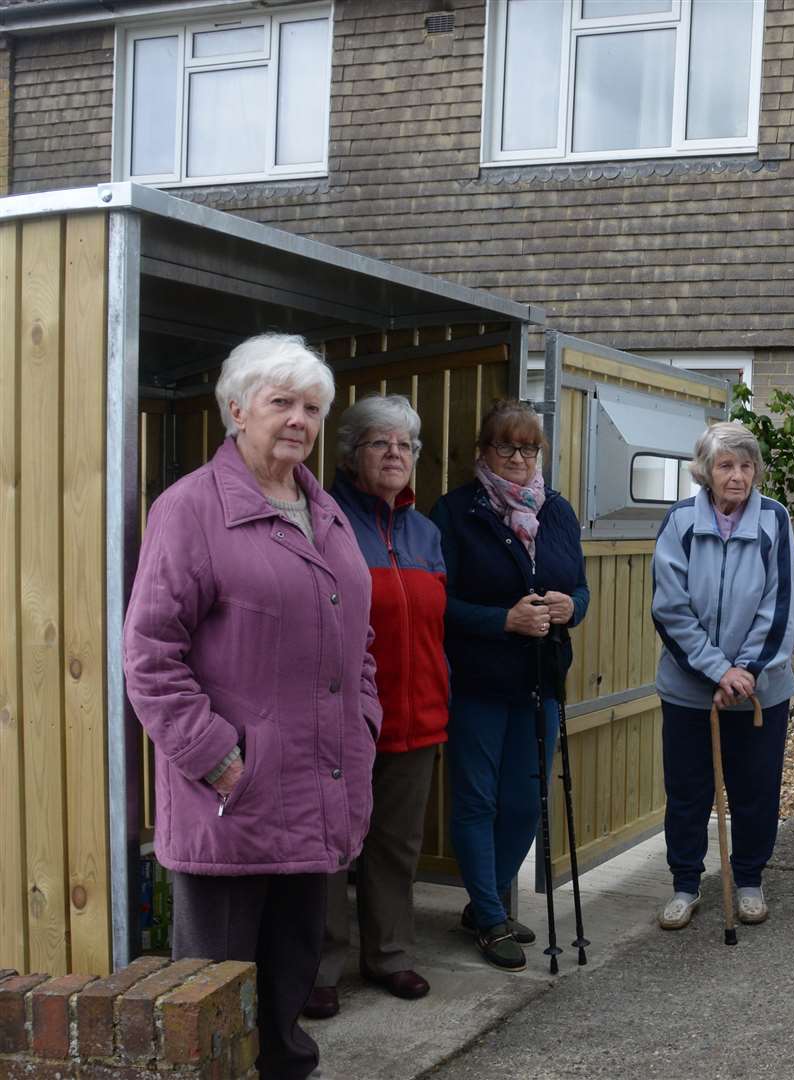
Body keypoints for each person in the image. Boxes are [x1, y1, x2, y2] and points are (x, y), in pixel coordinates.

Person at [124, 333, 380, 1080]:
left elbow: (357, 643)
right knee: (212, 987)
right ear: (237, 410)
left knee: (291, 975)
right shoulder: (192, 511)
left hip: (318, 786)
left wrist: (363, 725)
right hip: (233, 797)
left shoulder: (325, 513)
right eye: (281, 403)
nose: (299, 419)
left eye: (312, 406)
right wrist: (218, 758)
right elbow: (148, 654)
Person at [430, 400, 588, 971]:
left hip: (541, 681)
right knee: (478, 799)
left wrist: (573, 607)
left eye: (529, 449)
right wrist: (502, 620)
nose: (520, 459)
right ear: (483, 452)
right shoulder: (455, 513)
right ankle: (492, 916)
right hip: (477, 681)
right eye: (507, 447)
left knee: (525, 802)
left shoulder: (557, 511)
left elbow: (582, 588)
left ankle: (485, 903)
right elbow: (438, 605)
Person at [306, 395, 449, 1019]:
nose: (396, 455)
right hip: (343, 718)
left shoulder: (426, 532)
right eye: (381, 444)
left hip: (418, 716)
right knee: (332, 847)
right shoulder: (326, 520)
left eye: (406, 446)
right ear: (350, 454)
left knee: (395, 844)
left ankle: (390, 955)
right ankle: (317, 965)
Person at [650, 421, 794, 930]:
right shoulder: (680, 522)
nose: (736, 476)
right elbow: (670, 609)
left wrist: (746, 672)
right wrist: (718, 670)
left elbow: (780, 607)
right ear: (706, 472)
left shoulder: (774, 520)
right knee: (688, 790)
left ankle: (750, 879)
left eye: (745, 465)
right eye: (725, 465)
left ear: (755, 470)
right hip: (690, 689)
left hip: (760, 689)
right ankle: (685, 884)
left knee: (755, 787)